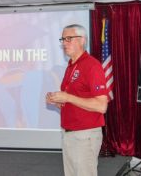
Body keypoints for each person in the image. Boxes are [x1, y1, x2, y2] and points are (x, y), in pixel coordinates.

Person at [46, 24, 108, 176]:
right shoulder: (70, 66)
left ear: (82, 40)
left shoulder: (92, 65)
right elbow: (76, 102)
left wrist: (67, 97)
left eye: (69, 39)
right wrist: (59, 101)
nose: (64, 43)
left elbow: (101, 106)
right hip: (69, 134)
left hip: (84, 136)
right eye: (63, 39)